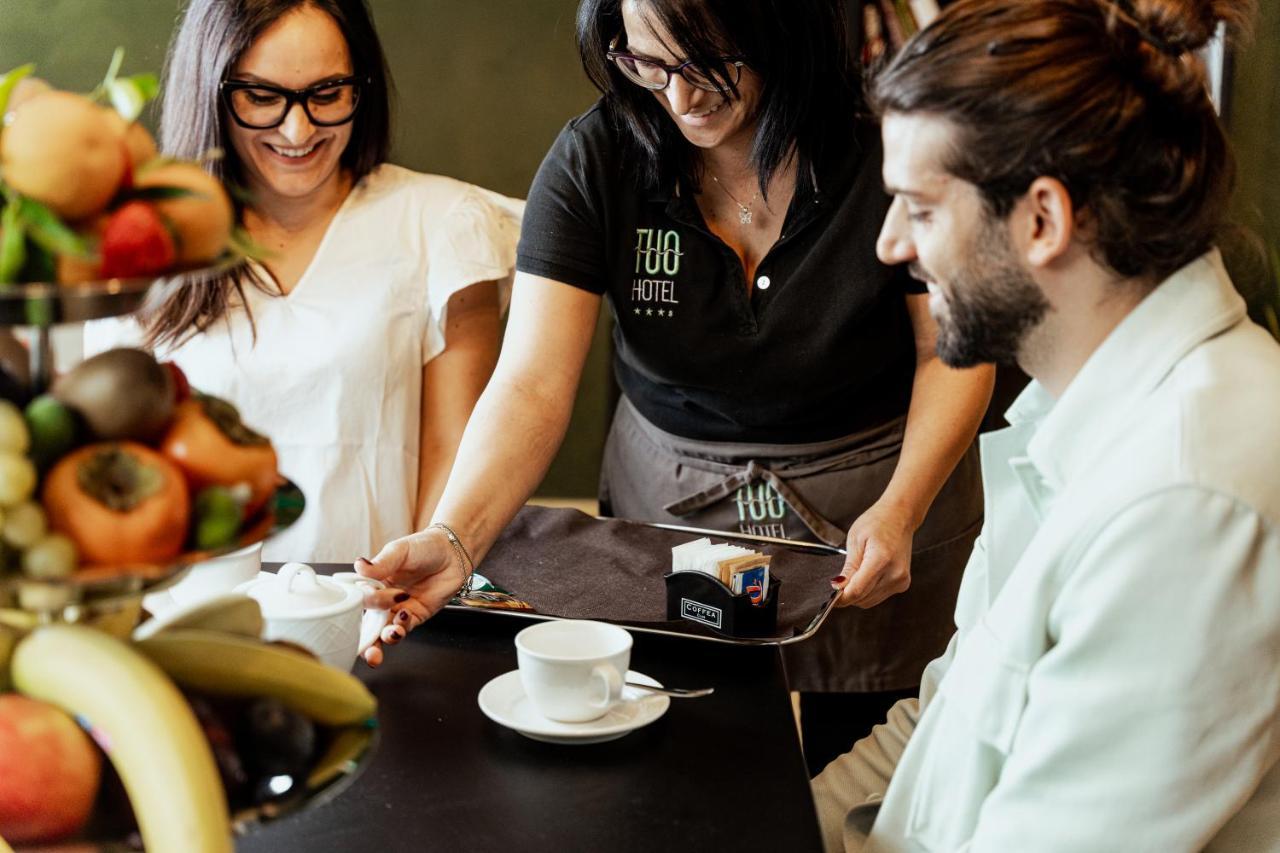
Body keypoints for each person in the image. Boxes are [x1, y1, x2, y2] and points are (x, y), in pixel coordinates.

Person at [356, 0, 994, 774]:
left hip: (878, 489)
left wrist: (901, 508)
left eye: (709, 66)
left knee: (872, 761)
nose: (681, 98)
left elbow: (953, 350)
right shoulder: (597, 157)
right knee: (684, 756)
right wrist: (456, 537)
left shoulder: (880, 145)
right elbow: (530, 383)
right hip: (678, 502)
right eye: (648, 64)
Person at [810, 0, 1280, 850]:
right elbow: (945, 719)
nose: (888, 246)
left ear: (1041, 219)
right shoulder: (1074, 416)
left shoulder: (1184, 495)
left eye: (918, 209)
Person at [85, 0, 521, 562]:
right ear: (213, 90)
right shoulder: (147, 239)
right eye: (263, 97)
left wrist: (403, 606)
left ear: (361, 87)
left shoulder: (443, 224)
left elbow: (454, 464)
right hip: (184, 611)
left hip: (369, 614)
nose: (298, 129)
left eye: (327, 93)